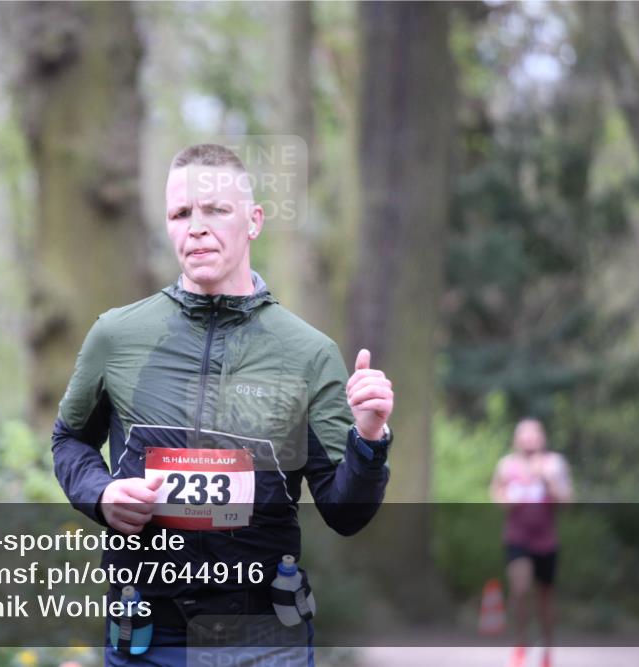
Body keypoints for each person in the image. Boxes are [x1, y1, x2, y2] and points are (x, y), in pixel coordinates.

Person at [52, 143, 396, 666]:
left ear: (253, 220)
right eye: (181, 213)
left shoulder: (309, 353)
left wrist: (368, 438)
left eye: (215, 210)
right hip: (147, 632)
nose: (196, 227)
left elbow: (345, 512)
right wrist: (100, 493)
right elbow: (69, 439)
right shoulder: (117, 336)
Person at [489, 418, 573, 667]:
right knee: (520, 589)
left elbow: (568, 502)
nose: (528, 440)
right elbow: (495, 494)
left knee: (545, 598)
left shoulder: (554, 464)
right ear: (517, 440)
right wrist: (506, 500)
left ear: (542, 438)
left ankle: (547, 649)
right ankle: (520, 644)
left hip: (547, 542)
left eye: (533, 435)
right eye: (523, 435)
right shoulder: (507, 465)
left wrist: (548, 481)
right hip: (518, 539)